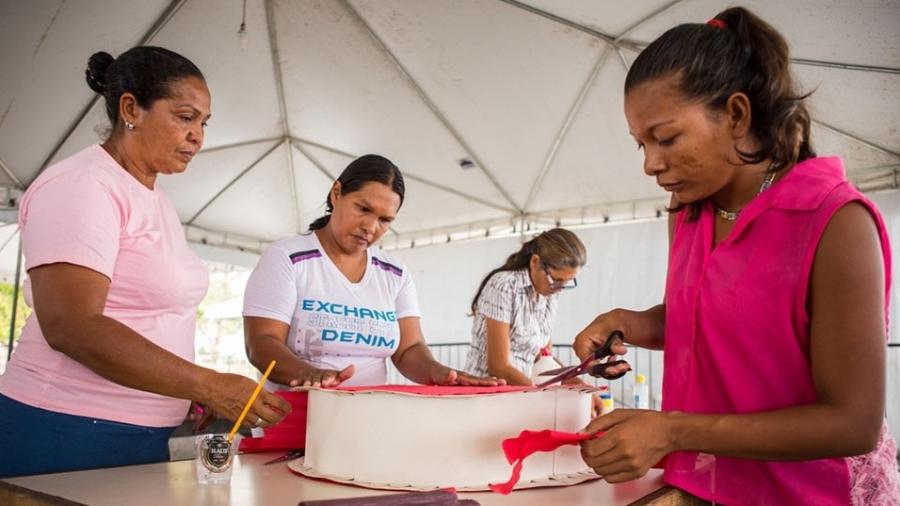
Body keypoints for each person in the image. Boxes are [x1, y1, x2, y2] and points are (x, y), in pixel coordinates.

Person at [574, 7, 900, 505]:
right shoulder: (687, 212)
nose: (650, 164)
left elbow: (851, 423)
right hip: (710, 484)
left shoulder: (834, 220)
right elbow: (703, 317)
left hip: (811, 494)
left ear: (737, 115)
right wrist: (632, 323)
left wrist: (672, 431)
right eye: (641, 144)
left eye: (666, 138)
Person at [0, 47, 290, 478]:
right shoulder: (83, 185)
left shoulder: (155, 198)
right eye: (185, 117)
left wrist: (192, 394)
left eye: (203, 123)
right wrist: (207, 384)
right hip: (65, 428)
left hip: (140, 433)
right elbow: (71, 325)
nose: (198, 137)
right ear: (131, 108)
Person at [243, 155, 503, 388]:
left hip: (367, 419)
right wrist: (311, 374)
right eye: (363, 209)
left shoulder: (395, 274)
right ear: (336, 193)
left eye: (384, 220)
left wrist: (442, 373)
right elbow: (262, 343)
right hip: (297, 419)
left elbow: (408, 348)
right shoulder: (287, 258)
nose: (370, 227)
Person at [463, 228, 588, 386]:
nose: (559, 288)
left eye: (566, 282)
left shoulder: (549, 294)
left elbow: (544, 357)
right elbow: (498, 367)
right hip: (488, 394)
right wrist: (539, 394)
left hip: (523, 392)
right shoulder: (504, 286)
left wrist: (577, 385)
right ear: (535, 262)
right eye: (556, 280)